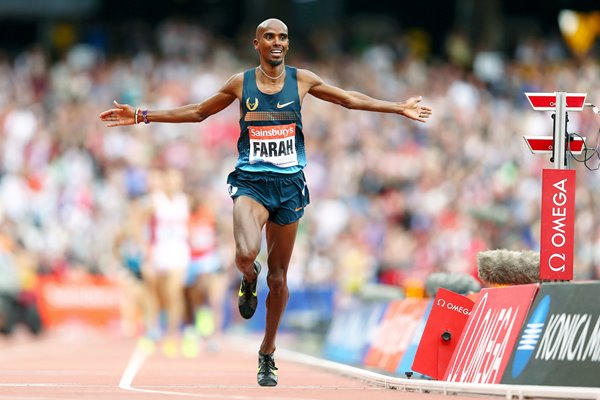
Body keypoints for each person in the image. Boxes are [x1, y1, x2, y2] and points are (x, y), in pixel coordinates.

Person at [99, 17, 432, 386]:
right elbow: (197, 112)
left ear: (288, 44)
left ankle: (267, 353)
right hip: (251, 182)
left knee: (279, 279)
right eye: (269, 37)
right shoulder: (240, 83)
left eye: (283, 37)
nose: (277, 42)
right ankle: (247, 275)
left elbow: (349, 99)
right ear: (255, 44)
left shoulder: (301, 79)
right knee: (245, 252)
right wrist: (142, 115)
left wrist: (398, 106)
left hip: (290, 186)